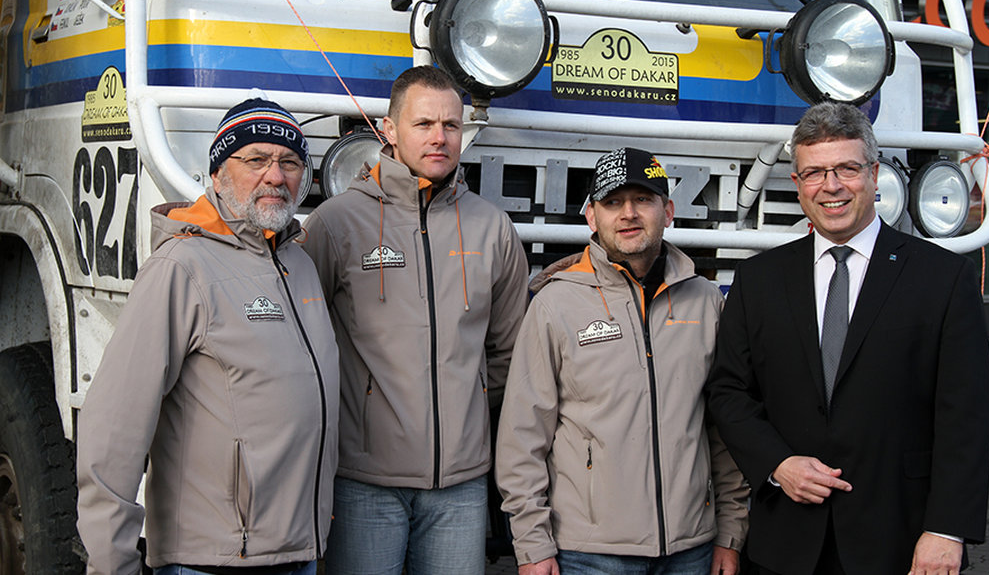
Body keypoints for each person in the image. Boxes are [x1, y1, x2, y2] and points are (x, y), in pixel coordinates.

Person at [706, 102, 989, 575]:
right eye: (814, 173)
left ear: (874, 174)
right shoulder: (758, 280)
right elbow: (728, 391)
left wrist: (946, 530)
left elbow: (966, 416)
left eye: (846, 169)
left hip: (902, 541)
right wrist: (777, 464)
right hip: (785, 543)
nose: (831, 186)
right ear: (797, 184)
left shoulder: (943, 278)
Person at [77, 98, 340, 574]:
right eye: (255, 160)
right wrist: (111, 563)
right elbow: (114, 429)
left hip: (297, 552)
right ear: (217, 175)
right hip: (211, 560)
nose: (275, 176)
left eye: (289, 162)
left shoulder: (298, 264)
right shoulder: (181, 267)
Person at [301, 65, 529, 574]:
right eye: (423, 124)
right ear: (389, 129)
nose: (439, 137)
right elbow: (302, 346)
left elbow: (511, 350)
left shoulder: (492, 228)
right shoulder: (336, 223)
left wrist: (467, 405)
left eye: (451, 125)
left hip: (460, 486)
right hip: (363, 483)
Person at [495, 147, 749, 575]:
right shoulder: (555, 304)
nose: (628, 214)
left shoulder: (706, 303)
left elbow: (724, 430)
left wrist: (730, 532)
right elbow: (522, 437)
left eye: (643, 200)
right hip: (588, 554)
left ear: (668, 211)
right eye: (613, 202)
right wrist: (532, 544)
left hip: (692, 550)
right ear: (592, 217)